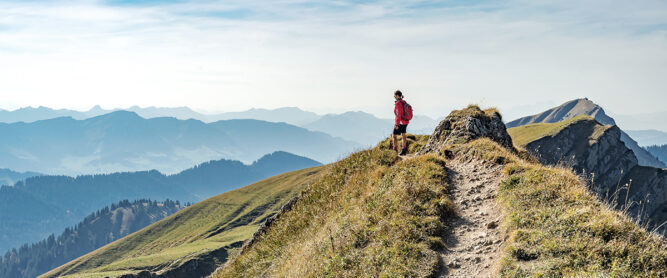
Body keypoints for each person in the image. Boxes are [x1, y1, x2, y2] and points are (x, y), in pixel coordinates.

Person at [393, 90, 409, 155]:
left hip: (400, 122)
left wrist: (397, 124)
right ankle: (404, 150)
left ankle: (395, 150)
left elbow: (398, 114)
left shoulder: (398, 103)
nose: (394, 97)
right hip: (405, 121)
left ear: (397, 95)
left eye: (394, 96)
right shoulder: (404, 102)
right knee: (403, 135)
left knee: (394, 135)